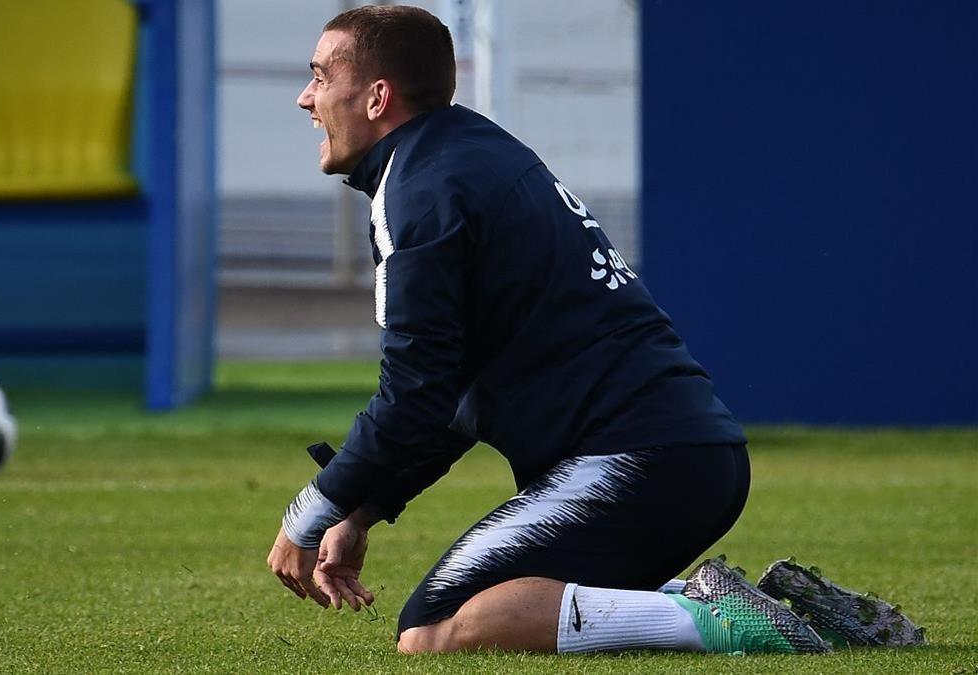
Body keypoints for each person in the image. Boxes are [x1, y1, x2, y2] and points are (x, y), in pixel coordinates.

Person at [266, 4, 923, 655]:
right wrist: (363, 506)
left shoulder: (422, 188)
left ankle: (712, 614)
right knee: (506, 604)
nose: (305, 98)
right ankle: (790, 613)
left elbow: (415, 393)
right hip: (686, 458)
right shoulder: (466, 153)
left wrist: (311, 512)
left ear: (378, 96)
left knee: (434, 628)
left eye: (321, 76)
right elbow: (449, 393)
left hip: (633, 463)